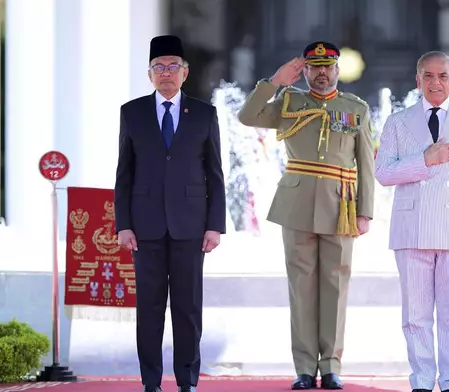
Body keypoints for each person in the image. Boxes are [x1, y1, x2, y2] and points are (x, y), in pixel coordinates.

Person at [237, 41, 375, 390]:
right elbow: (247, 116)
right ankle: (303, 368)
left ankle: (330, 367)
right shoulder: (288, 102)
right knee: (301, 289)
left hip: (341, 206)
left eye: (327, 67)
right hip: (296, 205)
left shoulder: (355, 108)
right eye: (314, 67)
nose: (321, 73)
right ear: (307, 71)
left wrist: (365, 212)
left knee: (335, 287)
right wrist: (276, 81)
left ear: (337, 71)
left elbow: (366, 165)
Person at [374, 51, 449, 392]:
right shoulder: (397, 122)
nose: (435, 82)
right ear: (418, 81)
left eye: (443, 76)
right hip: (412, 229)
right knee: (415, 315)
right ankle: (423, 381)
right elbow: (382, 173)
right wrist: (425, 159)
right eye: (428, 76)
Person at [114, 35, 226, 392]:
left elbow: (215, 173)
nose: (166, 73)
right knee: (148, 309)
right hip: (144, 227)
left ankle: (187, 381)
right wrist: (123, 225)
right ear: (149, 74)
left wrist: (215, 226)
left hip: (191, 226)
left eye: (172, 66)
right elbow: (124, 173)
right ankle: (151, 382)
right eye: (158, 67)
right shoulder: (131, 113)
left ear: (185, 72)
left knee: (188, 309)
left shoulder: (204, 114)